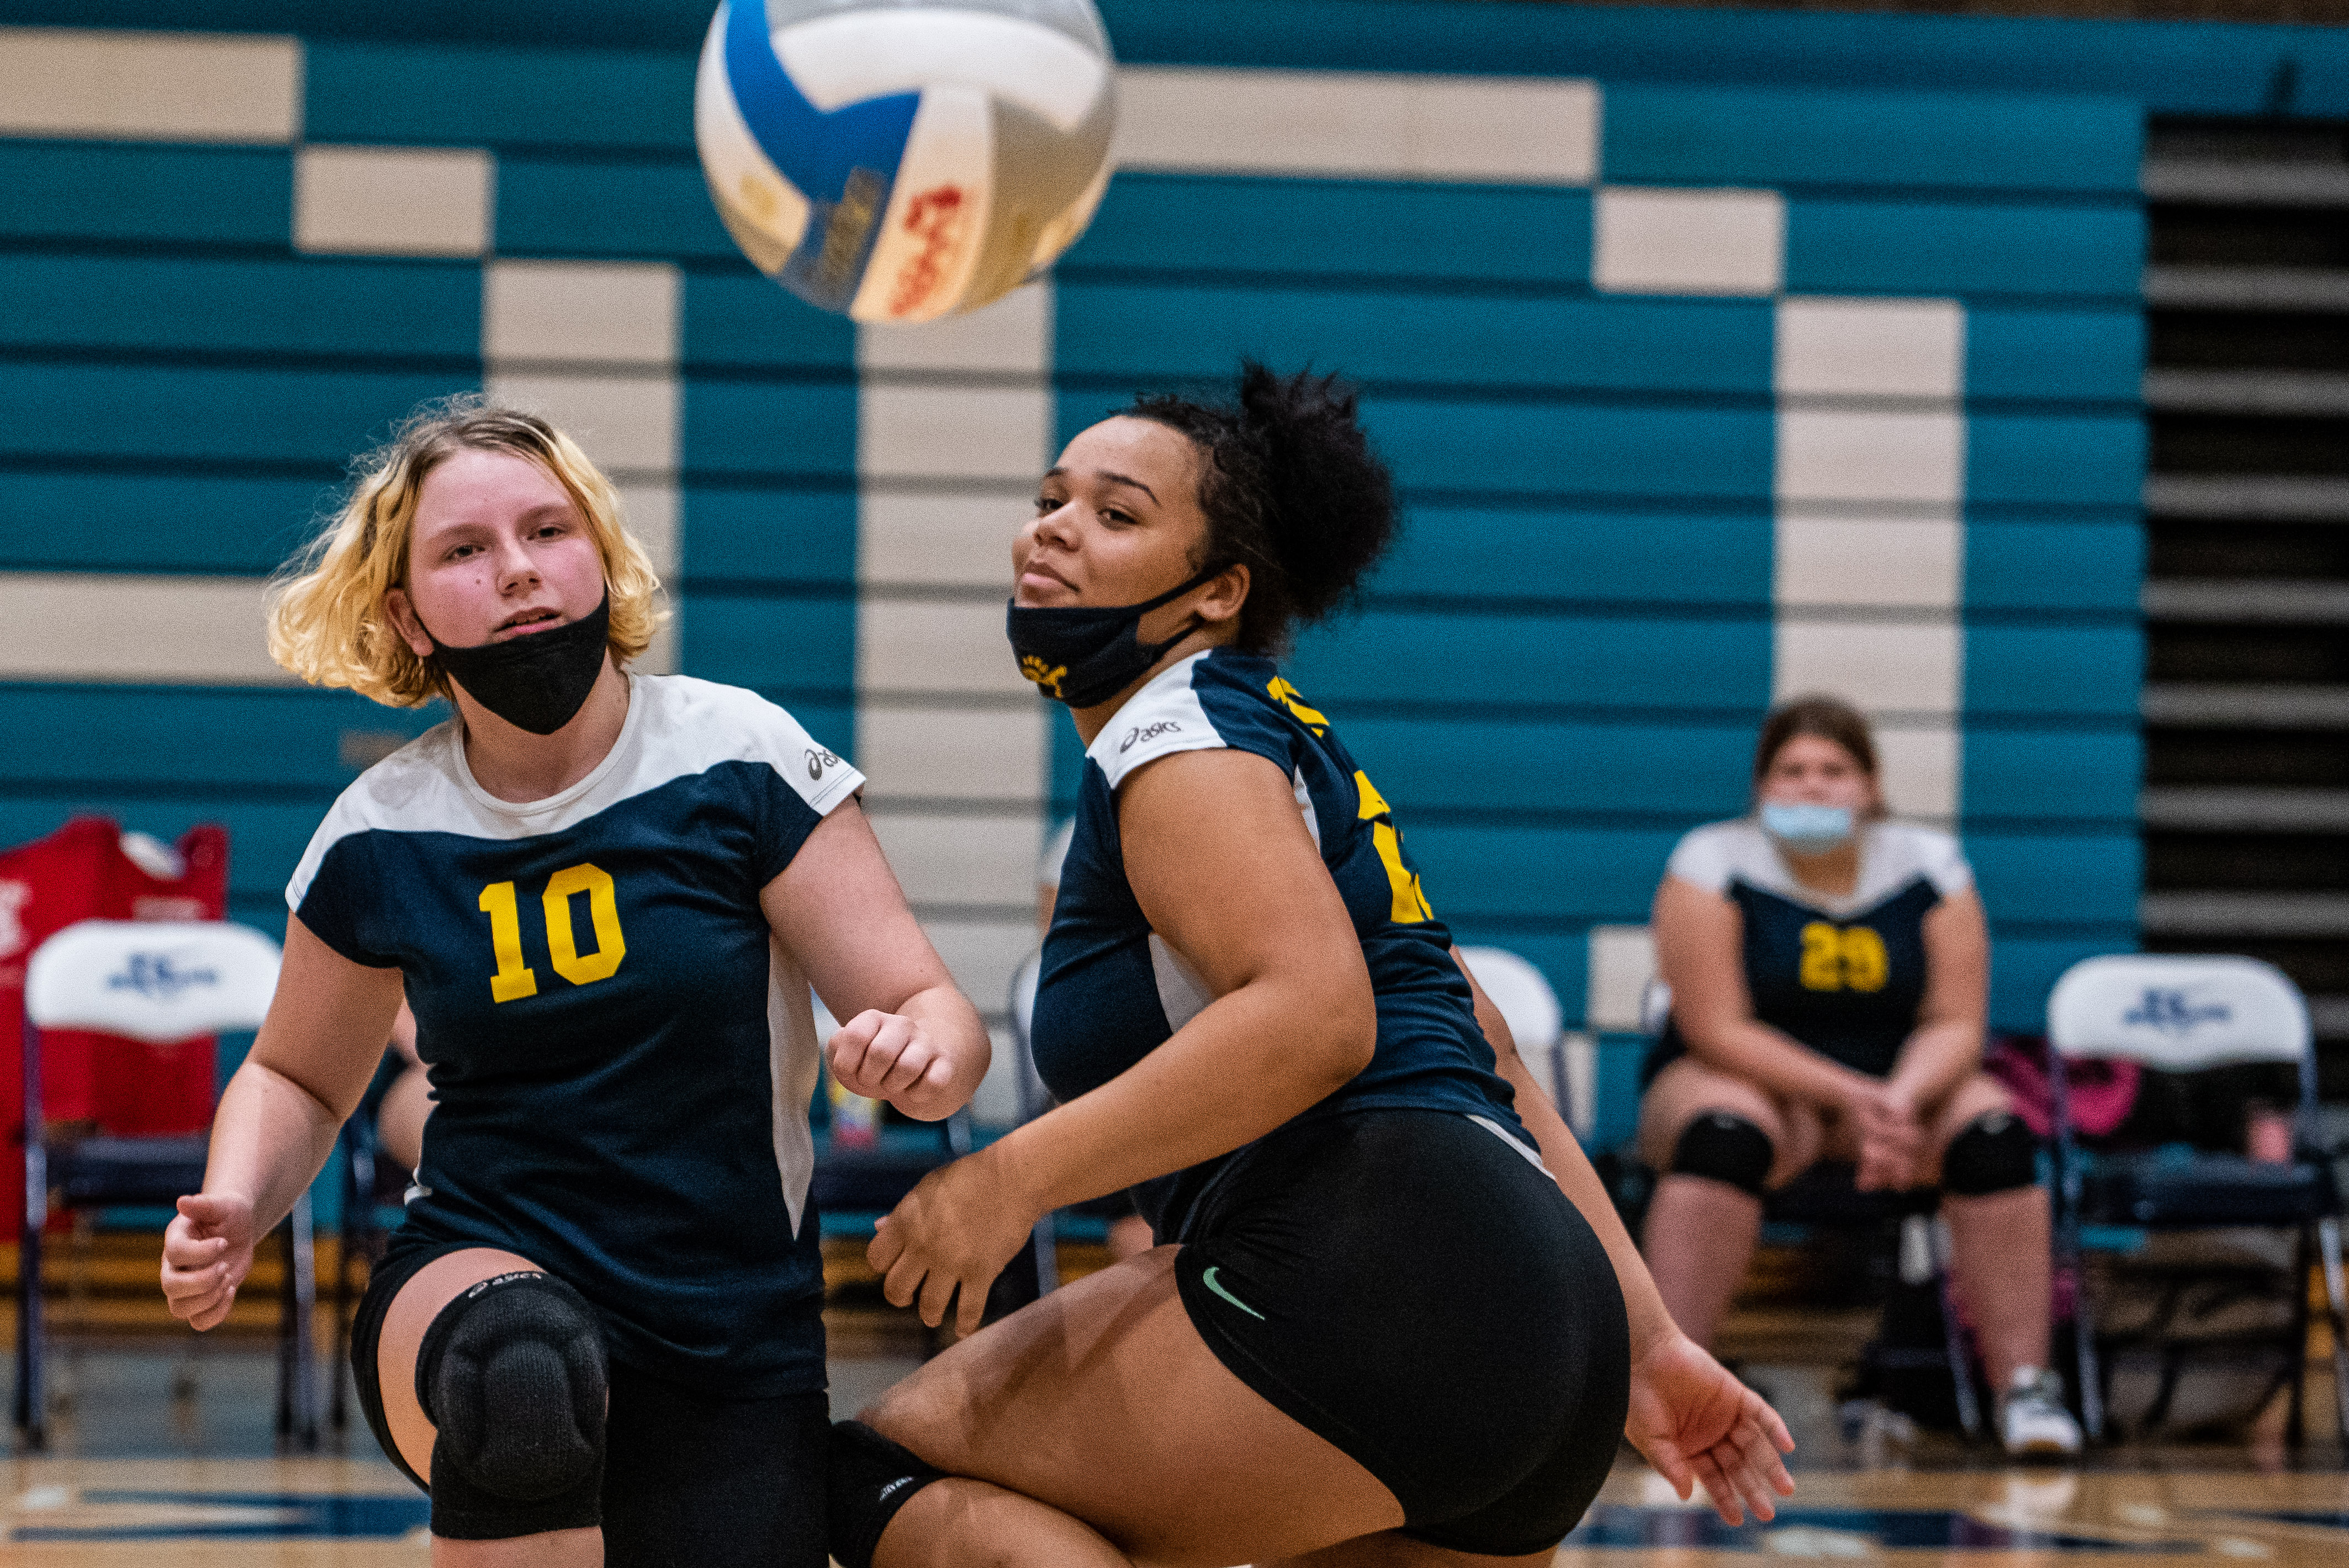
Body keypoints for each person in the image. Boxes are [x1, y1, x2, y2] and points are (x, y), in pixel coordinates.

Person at [823, 365, 1796, 1568]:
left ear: (1216, 591)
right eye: (1050, 498)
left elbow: (1317, 1018)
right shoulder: (1277, 734)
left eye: (1116, 513)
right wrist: (1646, 1343)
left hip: (1381, 1272)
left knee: (877, 1478)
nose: (1056, 529)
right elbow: (1485, 1050)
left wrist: (1005, 1179)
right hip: (1544, 1316)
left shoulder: (1176, 736)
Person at [157, 400, 991, 1566]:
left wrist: (924, 1052)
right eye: (465, 550)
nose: (519, 572)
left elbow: (930, 1005)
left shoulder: (735, 759)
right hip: (480, 1279)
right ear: (406, 613)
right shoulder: (379, 833)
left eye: (548, 531)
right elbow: (296, 1074)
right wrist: (241, 1201)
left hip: (727, 1329)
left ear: (599, 554)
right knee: (523, 1364)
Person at [1637, 695, 2083, 1458]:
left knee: (1997, 1133)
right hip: (1751, 1078)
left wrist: (1898, 1100)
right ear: (1760, 785)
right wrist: (1853, 1096)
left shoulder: (1927, 867)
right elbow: (1718, 1028)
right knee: (1723, 1135)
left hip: (1898, 1083)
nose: (1811, 787)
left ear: (1870, 786)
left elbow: (1954, 1022)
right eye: (1791, 771)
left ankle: (2025, 1390)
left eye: (1833, 771)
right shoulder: (1709, 863)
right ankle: (1671, 1391)